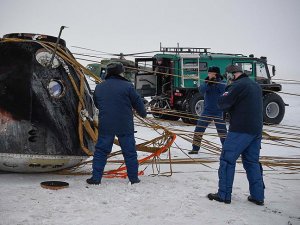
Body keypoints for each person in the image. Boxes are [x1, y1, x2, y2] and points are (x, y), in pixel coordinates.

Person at [207, 65, 265, 205]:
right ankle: (258, 196)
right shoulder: (255, 85)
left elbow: (222, 103)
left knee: (227, 160)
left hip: (240, 129)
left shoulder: (237, 85)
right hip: (256, 129)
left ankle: (224, 195)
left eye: (228, 76)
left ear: (232, 75)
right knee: (252, 162)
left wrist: (225, 91)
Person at [87, 62, 147, 185]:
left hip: (106, 124)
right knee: (129, 152)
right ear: (120, 72)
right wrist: (143, 113)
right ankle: (134, 179)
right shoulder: (128, 86)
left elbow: (97, 104)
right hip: (124, 125)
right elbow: (137, 102)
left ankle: (96, 178)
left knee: (101, 151)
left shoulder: (99, 87)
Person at [189, 66, 227, 154]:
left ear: (216, 74)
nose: (209, 74)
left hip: (218, 111)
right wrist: (209, 83)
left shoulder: (222, 82)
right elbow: (202, 90)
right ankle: (195, 148)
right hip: (207, 111)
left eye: (211, 73)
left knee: (222, 132)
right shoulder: (206, 82)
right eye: (208, 73)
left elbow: (223, 89)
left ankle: (226, 149)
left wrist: (216, 82)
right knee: (199, 129)